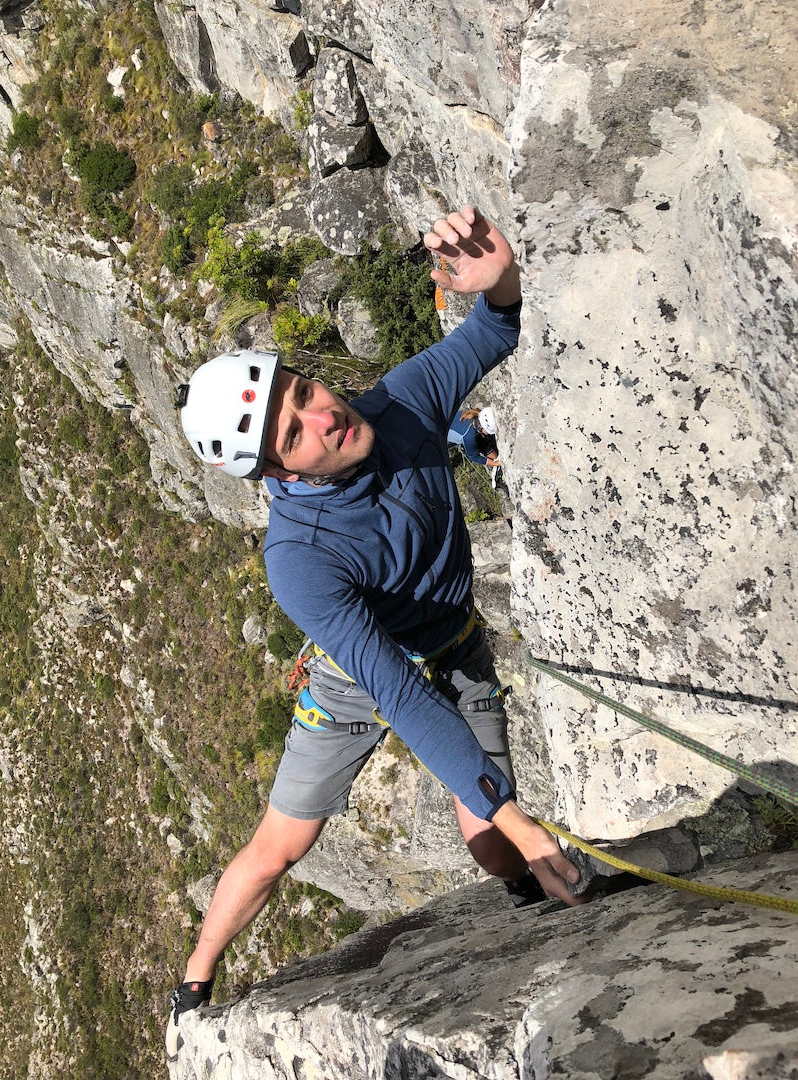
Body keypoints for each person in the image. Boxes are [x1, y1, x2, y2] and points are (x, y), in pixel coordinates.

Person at [167, 206, 584, 1058]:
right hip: (357, 681)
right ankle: (194, 980)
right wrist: (525, 820)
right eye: (293, 431)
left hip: (455, 650)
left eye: (304, 392)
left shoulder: (398, 405)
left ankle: (528, 894)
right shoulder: (300, 559)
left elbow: (496, 325)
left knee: (490, 848)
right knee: (281, 847)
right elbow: (392, 688)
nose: (323, 417)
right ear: (275, 472)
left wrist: (493, 277)